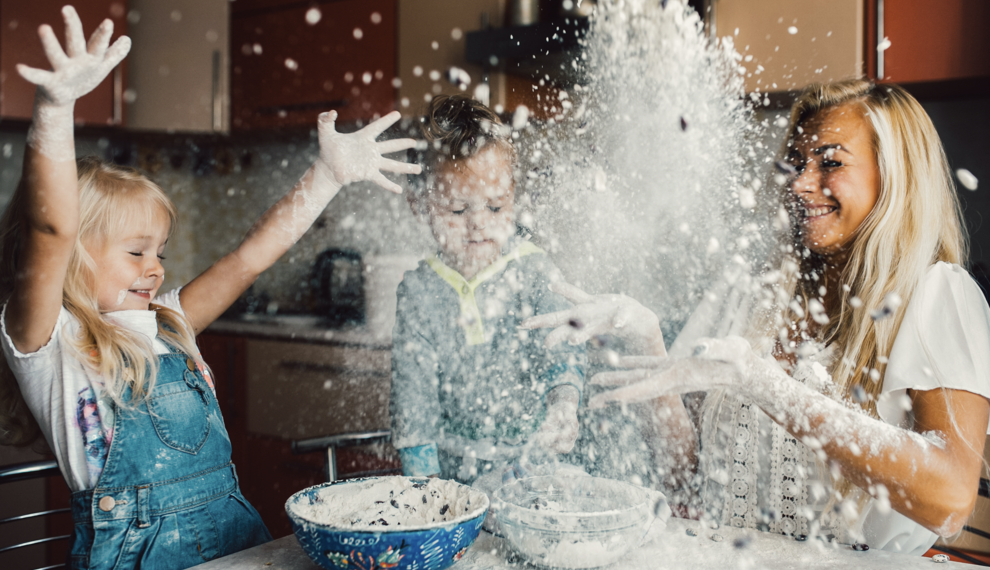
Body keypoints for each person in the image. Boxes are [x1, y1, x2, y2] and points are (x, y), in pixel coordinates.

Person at [0, 7, 419, 568]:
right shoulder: (51, 343)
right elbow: (50, 230)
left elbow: (247, 260)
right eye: (134, 252)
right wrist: (55, 110)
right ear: (71, 260)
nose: (155, 268)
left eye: (160, 254)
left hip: (235, 543)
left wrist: (326, 180)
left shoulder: (170, 323)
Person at [520, 78, 990, 554]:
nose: (802, 183)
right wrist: (648, 338)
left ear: (894, 176)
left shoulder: (935, 296)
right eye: (796, 163)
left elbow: (949, 500)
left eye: (831, 162)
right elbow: (685, 477)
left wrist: (765, 384)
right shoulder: (753, 289)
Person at [389, 95, 587, 487]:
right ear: (420, 204)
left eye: (496, 208)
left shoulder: (535, 270)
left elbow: (563, 350)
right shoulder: (419, 291)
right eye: (458, 212)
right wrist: (427, 493)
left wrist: (564, 405)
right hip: (454, 478)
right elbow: (414, 403)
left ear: (513, 196)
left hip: (535, 468)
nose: (478, 225)